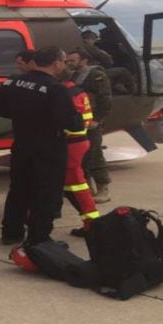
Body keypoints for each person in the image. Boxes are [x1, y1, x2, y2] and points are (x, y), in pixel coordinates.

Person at [0, 46, 84, 246]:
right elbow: (70, 122)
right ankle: (39, 238)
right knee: (47, 193)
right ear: (56, 62)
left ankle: (11, 232)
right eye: (63, 61)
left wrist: (22, 116)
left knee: (18, 189)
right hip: (49, 146)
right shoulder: (56, 88)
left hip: (22, 143)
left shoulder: (13, 81)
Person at [65, 49, 113, 203]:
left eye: (73, 60)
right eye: (68, 60)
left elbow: (105, 99)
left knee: (94, 154)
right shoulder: (73, 75)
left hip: (92, 122)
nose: (69, 63)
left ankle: (103, 189)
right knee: (82, 157)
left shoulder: (96, 75)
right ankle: (87, 188)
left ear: (84, 60)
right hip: (80, 122)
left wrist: (97, 120)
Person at [59, 69, 101, 237]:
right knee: (73, 186)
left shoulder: (66, 94)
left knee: (76, 185)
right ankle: (92, 223)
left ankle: (93, 225)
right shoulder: (77, 91)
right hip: (77, 142)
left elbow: (70, 121)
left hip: (71, 144)